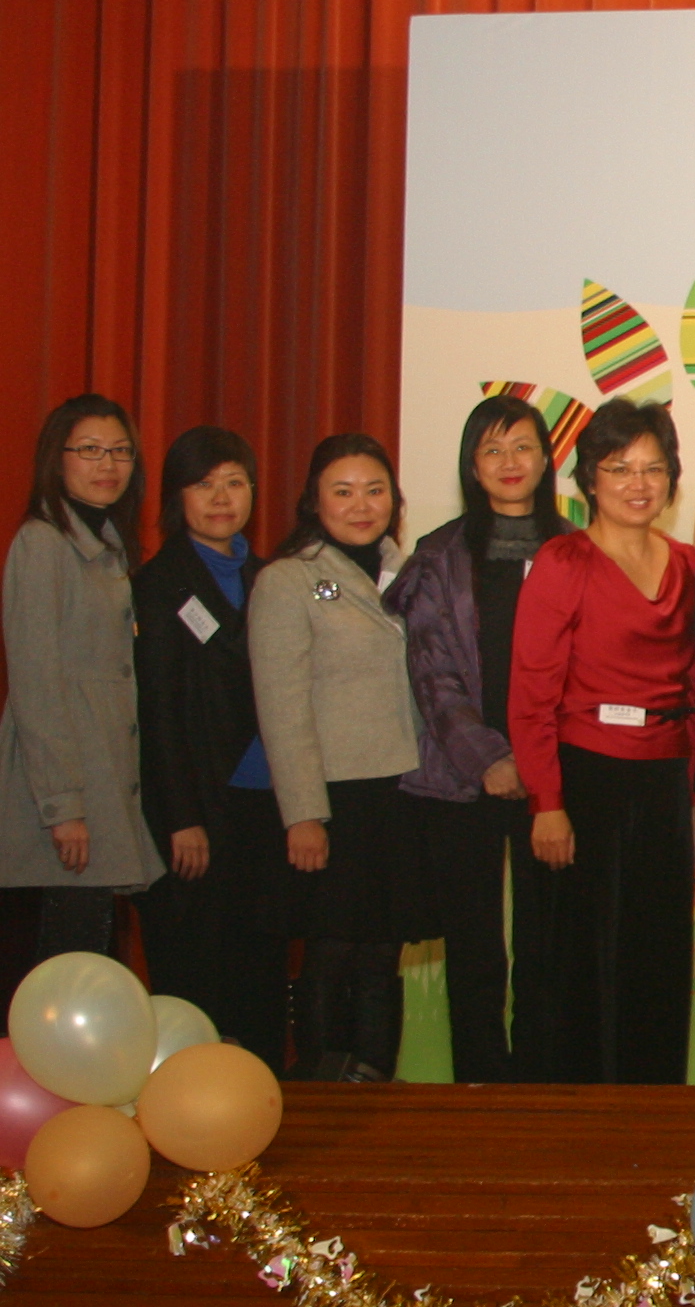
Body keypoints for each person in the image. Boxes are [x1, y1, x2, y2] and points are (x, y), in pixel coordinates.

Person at [510, 399, 695, 1084]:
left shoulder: (687, 563)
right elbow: (531, 694)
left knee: (657, 957)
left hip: (663, 782)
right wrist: (546, 802)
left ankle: (655, 1109)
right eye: (619, 468)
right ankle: (582, 1115)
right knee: (583, 961)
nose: (638, 483)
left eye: (654, 468)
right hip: (584, 779)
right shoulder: (563, 562)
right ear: (589, 478)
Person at [386, 395, 569, 1084]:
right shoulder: (439, 555)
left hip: (553, 778)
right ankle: (480, 1089)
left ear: (547, 457)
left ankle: (544, 1083)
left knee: (547, 942)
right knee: (475, 947)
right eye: (492, 450)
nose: (509, 463)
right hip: (464, 781)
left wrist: (542, 763)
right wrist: (490, 758)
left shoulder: (576, 549)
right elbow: (431, 672)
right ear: (472, 465)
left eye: (521, 446)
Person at [248, 434, 423, 1081]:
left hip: (398, 794)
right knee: (330, 949)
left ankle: (377, 1080)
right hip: (331, 799)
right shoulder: (286, 580)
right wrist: (303, 814)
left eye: (375, 490)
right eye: (342, 492)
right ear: (313, 502)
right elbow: (281, 706)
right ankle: (323, 1085)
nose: (361, 505)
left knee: (384, 950)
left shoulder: (408, 573)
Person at [134, 427, 289, 1066]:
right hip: (199, 806)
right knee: (196, 967)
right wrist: (181, 817)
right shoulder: (158, 583)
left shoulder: (270, 577)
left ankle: (258, 1101)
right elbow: (158, 714)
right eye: (204, 484)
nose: (221, 497)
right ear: (178, 497)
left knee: (261, 963)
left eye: (234, 481)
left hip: (268, 806)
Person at [0, 397, 162, 961]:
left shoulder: (110, 547)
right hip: (62, 795)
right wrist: (63, 805)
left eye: (120, 451)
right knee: (60, 974)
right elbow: (36, 685)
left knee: (92, 961)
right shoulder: (43, 543)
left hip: (103, 784)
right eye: (90, 450)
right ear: (57, 459)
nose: (107, 464)